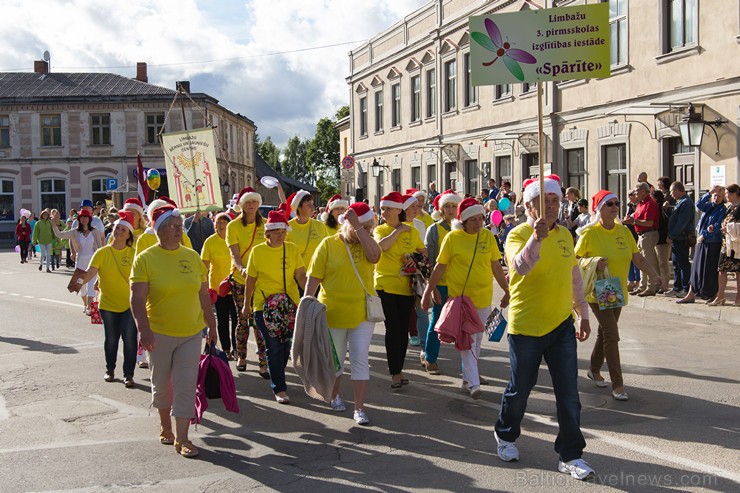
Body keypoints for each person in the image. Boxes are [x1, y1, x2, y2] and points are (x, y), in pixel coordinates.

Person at [494, 176, 595, 481]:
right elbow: (520, 268)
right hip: (526, 328)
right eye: (544, 201)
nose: (551, 207)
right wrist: (536, 239)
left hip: (561, 326)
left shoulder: (565, 235)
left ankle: (570, 454)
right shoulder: (517, 234)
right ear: (528, 206)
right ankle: (506, 434)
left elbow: (574, 276)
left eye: (555, 200)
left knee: (569, 395)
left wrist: (583, 313)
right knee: (520, 390)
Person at [131, 204, 217, 458]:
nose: (179, 230)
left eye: (180, 226)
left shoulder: (191, 257)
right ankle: (164, 424)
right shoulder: (145, 259)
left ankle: (183, 438)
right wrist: (143, 330)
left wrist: (211, 325)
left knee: (186, 384)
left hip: (191, 332)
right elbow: (137, 299)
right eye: (173, 226)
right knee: (162, 384)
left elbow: (203, 293)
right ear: (159, 230)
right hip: (159, 333)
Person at [575, 191, 662, 401]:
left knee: (605, 333)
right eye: (609, 204)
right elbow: (574, 261)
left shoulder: (624, 231)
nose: (615, 207)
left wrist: (655, 275)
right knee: (612, 335)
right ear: (599, 209)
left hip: (617, 290)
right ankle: (618, 384)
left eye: (616, 203)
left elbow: (637, 258)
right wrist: (593, 262)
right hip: (599, 289)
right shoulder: (589, 233)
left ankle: (594, 369)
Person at [421, 198, 510, 399]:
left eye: (481, 218)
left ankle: (467, 379)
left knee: (477, 340)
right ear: (464, 221)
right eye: (474, 220)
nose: (479, 223)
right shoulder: (452, 238)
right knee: (467, 340)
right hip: (461, 299)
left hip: (483, 297)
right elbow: (440, 266)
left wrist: (506, 290)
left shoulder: (487, 236)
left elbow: (496, 265)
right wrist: (428, 291)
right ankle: (474, 384)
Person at [306, 202, 380, 424]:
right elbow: (313, 278)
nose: (366, 231)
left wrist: (361, 230)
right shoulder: (328, 245)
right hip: (333, 313)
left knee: (359, 358)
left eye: (369, 227)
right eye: (362, 226)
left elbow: (375, 256)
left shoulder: (367, 243)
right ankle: (335, 394)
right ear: (347, 224)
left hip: (362, 313)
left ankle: (359, 408)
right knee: (335, 361)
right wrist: (306, 306)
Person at [242, 211, 307, 404]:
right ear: (268, 233)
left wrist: (312, 296)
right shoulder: (258, 251)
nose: (280, 234)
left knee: (286, 345)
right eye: (276, 231)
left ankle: (277, 373)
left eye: (283, 231)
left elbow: (301, 276)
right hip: (264, 306)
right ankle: (279, 388)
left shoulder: (292, 249)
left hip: (289, 305)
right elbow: (250, 280)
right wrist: (246, 304)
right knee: (274, 346)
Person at [70, 211, 138, 387]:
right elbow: (90, 272)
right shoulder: (102, 253)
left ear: (129, 234)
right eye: (117, 228)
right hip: (107, 305)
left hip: (129, 305)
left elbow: (141, 277)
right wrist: (76, 283)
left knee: (130, 340)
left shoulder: (134, 254)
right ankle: (110, 370)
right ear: (112, 230)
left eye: (124, 230)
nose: (120, 232)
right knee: (111, 339)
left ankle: (128, 374)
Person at [373, 192, 427, 389]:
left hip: (407, 287)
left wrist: (414, 258)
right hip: (385, 286)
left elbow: (423, 252)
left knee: (403, 330)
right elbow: (382, 247)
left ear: (399, 210)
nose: (384, 212)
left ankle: (399, 368)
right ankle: (395, 372)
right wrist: (397, 231)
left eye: (388, 208)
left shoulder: (413, 232)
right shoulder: (380, 229)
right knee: (393, 328)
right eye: (383, 209)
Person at [226, 187, 268, 375]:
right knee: (243, 320)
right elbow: (234, 254)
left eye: (254, 202)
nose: (251, 205)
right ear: (241, 205)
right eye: (248, 202)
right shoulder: (232, 226)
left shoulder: (266, 225)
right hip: (240, 280)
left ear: (258, 204)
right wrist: (243, 269)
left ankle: (263, 361)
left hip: (262, 282)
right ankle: (241, 355)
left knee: (261, 322)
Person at [421, 189, 461, 374]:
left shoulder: (463, 228)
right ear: (441, 209)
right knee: (437, 321)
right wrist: (432, 286)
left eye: (454, 206)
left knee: (463, 325)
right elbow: (429, 261)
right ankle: (430, 358)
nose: (451, 210)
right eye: (447, 207)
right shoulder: (434, 229)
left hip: (460, 284)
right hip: (441, 284)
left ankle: (468, 368)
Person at [677, 186, 728, 304]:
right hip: (702, 241)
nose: (717, 198)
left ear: (723, 197)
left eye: (719, 196)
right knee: (696, 268)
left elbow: (718, 225)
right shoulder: (710, 207)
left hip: (712, 242)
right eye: (715, 195)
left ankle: (712, 294)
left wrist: (705, 234)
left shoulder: (722, 209)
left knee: (709, 270)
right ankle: (691, 293)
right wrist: (709, 192)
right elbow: (699, 204)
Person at [52, 209, 102, 314]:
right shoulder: (75, 232)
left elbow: (100, 247)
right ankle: (85, 304)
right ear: (79, 219)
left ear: (89, 219)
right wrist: (53, 224)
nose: (84, 219)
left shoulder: (95, 231)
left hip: (93, 261)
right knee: (81, 286)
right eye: (82, 217)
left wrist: (102, 260)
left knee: (92, 284)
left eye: (86, 217)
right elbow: (60, 235)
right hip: (80, 262)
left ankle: (90, 307)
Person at [202, 213, 238, 357]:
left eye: (225, 222)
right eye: (219, 222)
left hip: (235, 286)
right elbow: (204, 265)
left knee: (237, 320)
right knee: (222, 320)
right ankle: (226, 349)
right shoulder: (210, 242)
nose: (222, 225)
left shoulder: (235, 240)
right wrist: (203, 287)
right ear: (214, 225)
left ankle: (237, 349)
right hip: (218, 288)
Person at [623, 183, 660, 296]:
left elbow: (649, 222)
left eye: (636, 191)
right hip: (641, 234)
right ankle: (642, 285)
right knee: (640, 261)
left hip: (649, 234)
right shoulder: (640, 204)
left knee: (648, 261)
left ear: (643, 191)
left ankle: (651, 286)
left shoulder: (650, 203)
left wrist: (633, 221)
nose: (635, 194)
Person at [710, 184, 740, 305]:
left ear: (734, 194)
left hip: (737, 245)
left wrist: (729, 227)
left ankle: (739, 298)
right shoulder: (729, 208)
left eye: (727, 193)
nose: (726, 196)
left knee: (738, 271)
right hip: (726, 243)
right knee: (721, 269)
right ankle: (720, 296)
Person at [664, 182, 695, 298]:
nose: (671, 194)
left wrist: (671, 235)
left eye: (672, 192)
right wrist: (667, 210)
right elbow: (673, 218)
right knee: (676, 264)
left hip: (682, 237)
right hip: (677, 238)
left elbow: (682, 223)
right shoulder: (679, 202)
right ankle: (677, 287)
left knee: (683, 264)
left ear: (677, 190)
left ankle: (686, 289)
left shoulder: (686, 203)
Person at [287, 190, 328, 270]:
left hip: (318, 274)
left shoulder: (320, 225)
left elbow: (328, 249)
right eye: (308, 205)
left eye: (312, 204)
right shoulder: (287, 227)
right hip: (295, 276)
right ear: (298, 207)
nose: (313, 207)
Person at [652, 189, 672, 293]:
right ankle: (658, 284)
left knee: (663, 264)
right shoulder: (656, 208)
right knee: (656, 264)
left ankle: (664, 285)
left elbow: (665, 224)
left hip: (663, 239)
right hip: (656, 239)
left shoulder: (662, 209)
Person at [625, 190, 641, 292]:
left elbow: (633, 218)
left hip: (636, 234)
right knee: (629, 259)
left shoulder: (639, 205)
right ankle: (630, 280)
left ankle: (638, 281)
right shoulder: (630, 206)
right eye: (629, 196)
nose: (630, 197)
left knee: (636, 259)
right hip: (628, 233)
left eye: (631, 195)